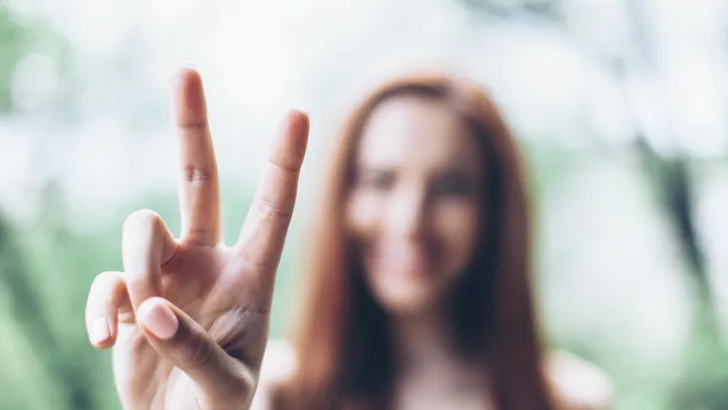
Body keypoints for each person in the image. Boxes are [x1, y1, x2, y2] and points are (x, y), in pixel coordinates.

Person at [84, 68, 613, 410]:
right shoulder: (271, 393)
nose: (410, 219)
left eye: (451, 188)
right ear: (340, 200)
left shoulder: (573, 400)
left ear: (496, 210)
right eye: (381, 181)